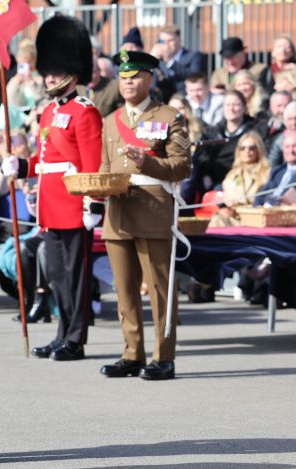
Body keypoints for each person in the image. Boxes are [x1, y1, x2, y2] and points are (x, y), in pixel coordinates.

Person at [1, 15, 102, 362]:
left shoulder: (85, 112)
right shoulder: (47, 113)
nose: (49, 77)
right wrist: (22, 166)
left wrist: (93, 204)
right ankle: (62, 334)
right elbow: (47, 161)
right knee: (58, 275)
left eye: (55, 71)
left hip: (75, 206)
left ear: (73, 72)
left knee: (75, 277)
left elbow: (91, 164)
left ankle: (75, 338)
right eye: (47, 71)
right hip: (50, 205)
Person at [98, 50, 191, 381]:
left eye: (135, 76)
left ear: (150, 79)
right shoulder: (110, 121)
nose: (128, 83)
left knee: (159, 289)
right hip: (118, 211)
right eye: (123, 78)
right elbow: (105, 168)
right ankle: (131, 353)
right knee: (124, 290)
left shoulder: (169, 117)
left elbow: (181, 166)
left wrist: (146, 162)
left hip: (153, 207)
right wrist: (94, 192)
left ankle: (163, 356)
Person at [209, 131, 271, 227]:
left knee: (218, 221)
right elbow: (226, 198)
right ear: (238, 151)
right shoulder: (232, 174)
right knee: (217, 218)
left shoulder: (267, 173)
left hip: (255, 219)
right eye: (242, 148)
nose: (247, 151)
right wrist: (225, 208)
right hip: (232, 217)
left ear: (258, 150)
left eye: (252, 148)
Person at [156, 24, 206, 95]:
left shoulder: (194, 56)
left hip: (187, 99)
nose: (166, 44)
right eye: (163, 41)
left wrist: (170, 62)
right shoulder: (159, 60)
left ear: (179, 39)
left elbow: (195, 78)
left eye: (170, 40)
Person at [255, 130, 296, 207]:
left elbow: (286, 199)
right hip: (264, 212)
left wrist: (272, 201)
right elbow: (260, 196)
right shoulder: (277, 171)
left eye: (294, 146)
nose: (291, 151)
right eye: (287, 147)